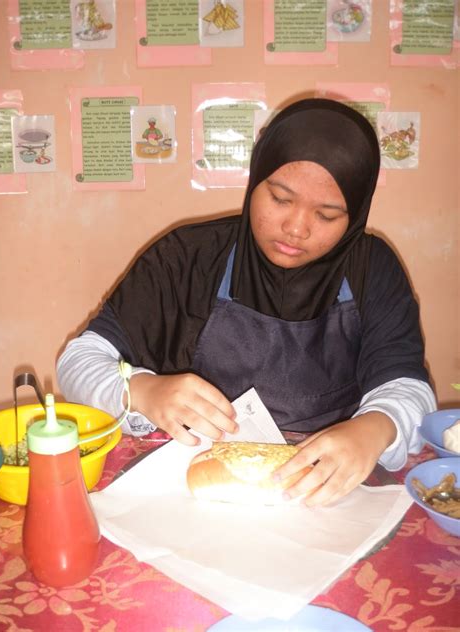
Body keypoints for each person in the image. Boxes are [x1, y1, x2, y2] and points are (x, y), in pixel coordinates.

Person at [57, 98, 436, 507]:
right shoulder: (186, 256)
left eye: (326, 215)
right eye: (279, 198)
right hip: (191, 491)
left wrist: (377, 427)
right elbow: (78, 361)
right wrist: (142, 391)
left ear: (355, 216)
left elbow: (408, 388)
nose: (295, 228)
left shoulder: (371, 267)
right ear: (255, 181)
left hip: (323, 494)